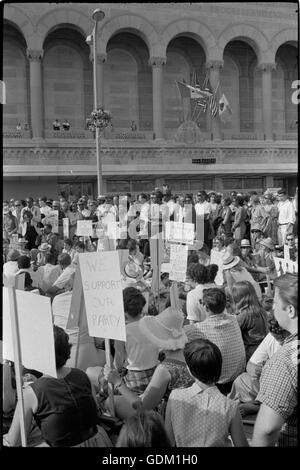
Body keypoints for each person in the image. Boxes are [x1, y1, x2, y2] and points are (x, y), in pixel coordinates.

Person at [3, 326, 112, 447]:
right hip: (97, 441)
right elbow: (93, 411)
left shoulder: (31, 393)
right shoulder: (82, 375)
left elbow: (15, 442)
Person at [103, 307, 194, 420]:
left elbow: (142, 407)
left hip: (167, 417)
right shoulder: (189, 353)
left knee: (110, 402)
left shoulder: (165, 368)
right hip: (185, 411)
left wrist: (118, 382)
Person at [165, 338, 248, 447]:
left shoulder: (175, 397)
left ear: (189, 370)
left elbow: (168, 441)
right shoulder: (229, 406)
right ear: (219, 368)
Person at [252, 273, 297, 447]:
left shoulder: (284, 362)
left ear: (291, 310)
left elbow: (267, 430)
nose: (272, 309)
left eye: (276, 304)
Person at [184, 288, 246, 394]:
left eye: (201, 302)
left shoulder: (196, 329)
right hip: (238, 378)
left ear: (205, 307)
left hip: (216, 382)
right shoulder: (234, 320)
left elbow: (176, 336)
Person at [228, 314, 289, 407]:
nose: (280, 340)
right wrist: (260, 373)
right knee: (241, 380)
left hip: (285, 392)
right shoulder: (272, 337)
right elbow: (251, 366)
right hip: (269, 387)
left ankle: (258, 406)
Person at [110, 287, 159, 394]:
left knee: (107, 388)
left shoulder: (122, 331)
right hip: (156, 375)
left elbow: (118, 362)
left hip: (135, 379)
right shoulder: (153, 322)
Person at [231, 281, 269, 362]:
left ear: (237, 297)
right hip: (263, 348)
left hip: (251, 352)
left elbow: (232, 331)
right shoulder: (260, 310)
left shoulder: (245, 315)